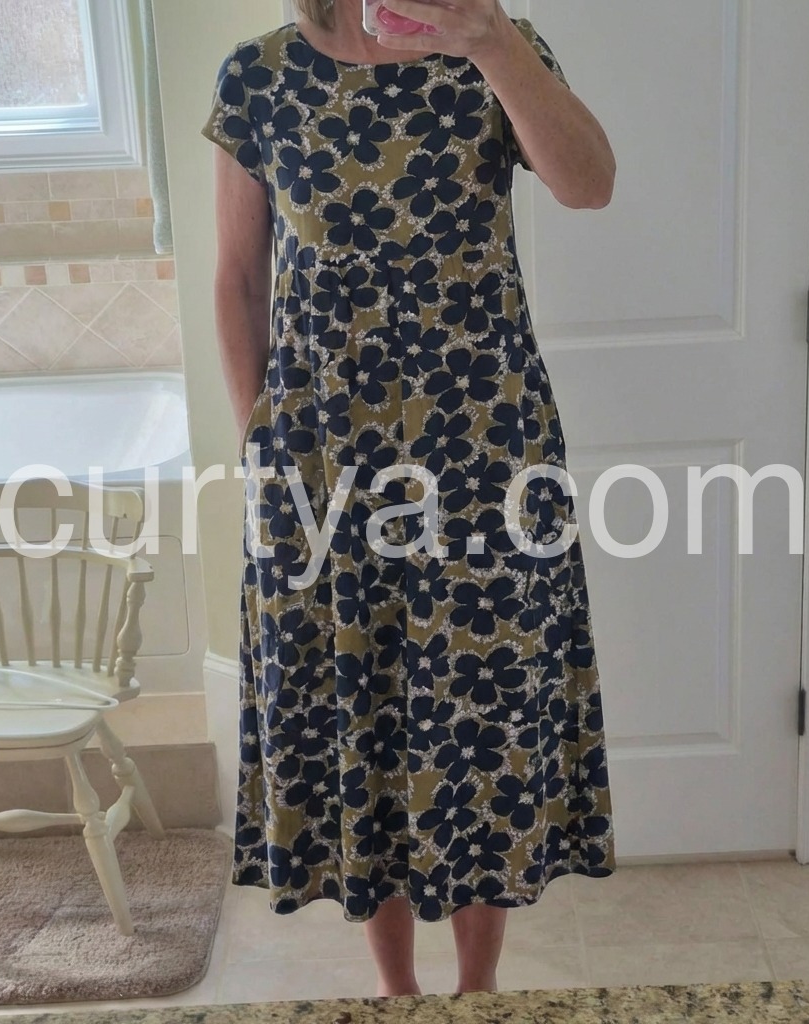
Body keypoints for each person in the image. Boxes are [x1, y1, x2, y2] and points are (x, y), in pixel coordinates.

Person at [201, 0, 617, 998]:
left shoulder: (494, 47)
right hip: (323, 457)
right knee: (364, 707)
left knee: (484, 712)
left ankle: (477, 990)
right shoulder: (259, 77)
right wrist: (261, 442)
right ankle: (397, 992)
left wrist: (491, 42)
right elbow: (237, 278)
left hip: (485, 450)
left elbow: (589, 185)